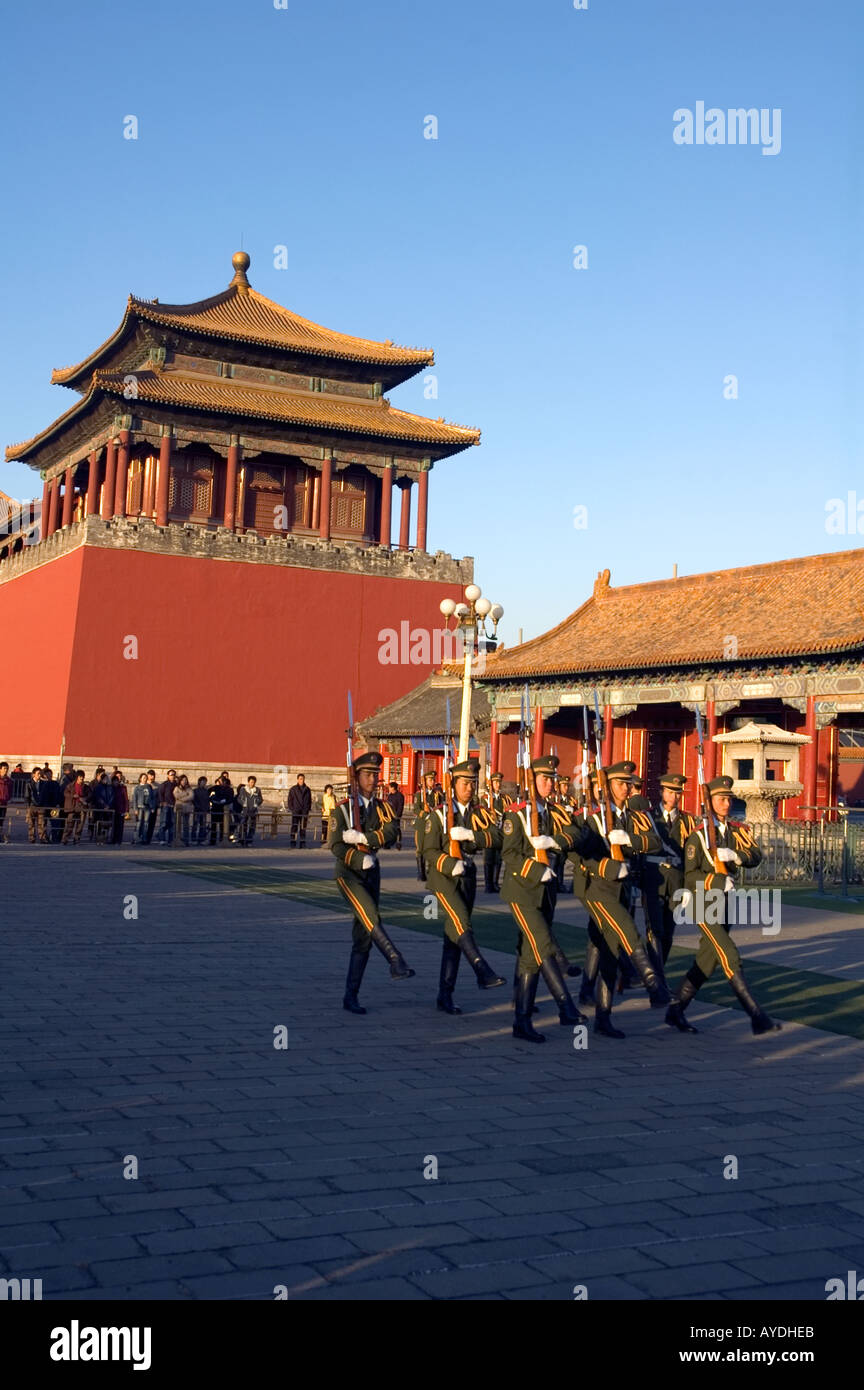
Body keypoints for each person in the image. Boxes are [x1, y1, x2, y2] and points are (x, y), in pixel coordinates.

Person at [666, 774, 780, 1036]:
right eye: (720, 799)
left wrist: (735, 856)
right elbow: (690, 875)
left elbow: (755, 856)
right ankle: (756, 1015)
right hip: (702, 902)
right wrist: (716, 882)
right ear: (710, 802)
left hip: (725, 903)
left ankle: (675, 1010)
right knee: (729, 953)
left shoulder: (737, 831)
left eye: (728, 799)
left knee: (707, 961)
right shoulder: (699, 837)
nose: (726, 804)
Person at [572, 761, 670, 1038]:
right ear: (606, 786)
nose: (626, 788)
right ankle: (652, 980)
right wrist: (605, 864)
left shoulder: (632, 815)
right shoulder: (593, 815)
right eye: (620, 783)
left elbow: (655, 842)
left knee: (610, 952)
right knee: (629, 930)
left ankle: (603, 1017)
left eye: (628, 783)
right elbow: (579, 852)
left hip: (621, 888)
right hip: (596, 888)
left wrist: (628, 840)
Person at [501, 754, 591, 1043]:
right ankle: (565, 1005)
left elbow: (577, 833)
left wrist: (554, 842)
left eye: (552, 779)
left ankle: (522, 1022)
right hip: (522, 890)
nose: (550, 784)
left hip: (546, 891)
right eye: (544, 779)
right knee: (542, 942)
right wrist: (533, 869)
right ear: (532, 781)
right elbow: (510, 854)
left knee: (530, 958)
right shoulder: (518, 813)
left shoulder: (554, 812)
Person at [417, 758, 506, 1013]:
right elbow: (428, 850)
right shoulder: (439, 814)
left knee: (454, 937)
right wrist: (448, 863)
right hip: (444, 878)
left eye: (473, 783)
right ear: (453, 783)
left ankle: (445, 995)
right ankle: (482, 969)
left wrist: (470, 836)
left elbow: (498, 837)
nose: (469, 787)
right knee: (461, 924)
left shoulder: (478, 813)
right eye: (465, 782)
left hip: (467, 875)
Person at [330, 749, 414, 1014]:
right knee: (371, 915)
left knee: (363, 936)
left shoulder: (382, 808)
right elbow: (335, 845)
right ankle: (395, 959)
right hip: (348, 873)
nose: (372, 779)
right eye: (367, 774)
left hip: (372, 871)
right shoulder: (343, 809)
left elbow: (390, 832)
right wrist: (356, 858)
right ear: (356, 776)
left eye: (375, 774)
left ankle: (350, 996)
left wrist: (365, 840)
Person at [640, 772, 696, 966]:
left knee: (668, 932)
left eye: (678, 793)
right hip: (654, 880)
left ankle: (658, 972)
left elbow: (690, 857)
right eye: (670, 792)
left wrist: (688, 887)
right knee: (654, 930)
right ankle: (655, 978)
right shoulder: (647, 817)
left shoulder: (688, 821)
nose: (674, 797)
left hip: (676, 881)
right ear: (662, 792)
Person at [481, 771, 512, 894]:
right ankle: (488, 884)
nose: (498, 785)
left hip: (500, 831)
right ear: (491, 784)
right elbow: (482, 814)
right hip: (489, 831)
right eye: (495, 782)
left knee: (498, 858)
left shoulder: (504, 799)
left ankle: (495, 883)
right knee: (488, 858)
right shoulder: (485, 799)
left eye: (499, 782)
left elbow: (508, 812)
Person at [412, 770, 440, 882]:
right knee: (420, 848)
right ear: (425, 781)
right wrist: (425, 814)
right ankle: (421, 873)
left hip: (432, 825)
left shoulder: (436, 795)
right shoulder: (419, 794)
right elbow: (416, 809)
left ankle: (430, 872)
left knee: (432, 847)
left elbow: (439, 807)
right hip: (422, 824)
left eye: (433, 780)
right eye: (430, 779)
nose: (432, 782)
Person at [25, 767, 51, 843]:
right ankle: (31, 838)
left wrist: (44, 805)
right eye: (38, 774)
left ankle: (42, 837)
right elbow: (27, 796)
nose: (39, 775)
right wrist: (28, 807)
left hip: (41, 806)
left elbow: (46, 795)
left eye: (40, 774)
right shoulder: (29, 783)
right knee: (31, 823)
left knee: (41, 823)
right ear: (33, 774)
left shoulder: (44, 783)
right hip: (32, 805)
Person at [61, 771, 88, 844]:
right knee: (70, 824)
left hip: (81, 807)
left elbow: (90, 795)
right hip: (72, 807)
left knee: (80, 825)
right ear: (77, 778)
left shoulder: (85, 787)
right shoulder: (70, 785)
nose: (81, 779)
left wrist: (85, 799)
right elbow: (65, 793)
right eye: (80, 777)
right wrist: (73, 796)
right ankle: (65, 839)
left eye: (82, 777)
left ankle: (77, 839)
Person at [235, 775, 263, 845]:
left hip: (253, 811)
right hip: (245, 811)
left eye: (253, 782)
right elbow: (239, 799)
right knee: (243, 825)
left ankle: (249, 840)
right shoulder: (243, 789)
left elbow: (261, 799)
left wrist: (257, 803)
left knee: (252, 826)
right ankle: (242, 840)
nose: (252, 784)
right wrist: (243, 803)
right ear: (248, 782)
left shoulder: (257, 790)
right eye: (251, 782)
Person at [287, 773, 311, 847]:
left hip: (304, 812)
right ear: (297, 780)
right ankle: (293, 842)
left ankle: (302, 842)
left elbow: (309, 800)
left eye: (303, 779)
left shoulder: (307, 789)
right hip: (296, 811)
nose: (302, 780)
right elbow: (290, 800)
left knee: (303, 828)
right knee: (294, 827)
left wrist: (307, 808)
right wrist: (292, 809)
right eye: (300, 779)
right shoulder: (293, 789)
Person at [209, 773, 234, 844]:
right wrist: (212, 800)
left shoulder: (229, 789)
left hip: (223, 809)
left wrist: (224, 801)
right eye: (219, 781)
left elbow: (230, 799)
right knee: (213, 825)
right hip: (215, 807)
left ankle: (221, 839)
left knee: (222, 825)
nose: (219, 783)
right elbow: (209, 793)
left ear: (225, 782)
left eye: (221, 781)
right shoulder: (215, 788)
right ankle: (212, 840)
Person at [133, 773, 154, 844]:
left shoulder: (149, 787)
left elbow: (152, 797)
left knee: (146, 823)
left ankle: (144, 838)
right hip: (140, 807)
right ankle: (136, 838)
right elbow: (134, 799)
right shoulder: (137, 787)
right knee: (139, 823)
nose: (145, 779)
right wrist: (135, 809)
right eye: (143, 777)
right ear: (140, 779)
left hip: (147, 807)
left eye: (146, 778)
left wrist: (152, 807)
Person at [158, 769, 178, 844]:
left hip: (174, 806)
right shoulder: (164, 784)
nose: (172, 776)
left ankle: (170, 839)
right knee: (164, 823)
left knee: (172, 824)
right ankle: (162, 839)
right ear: (168, 776)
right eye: (171, 774)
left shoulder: (176, 784)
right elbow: (160, 794)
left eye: (174, 775)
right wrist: (162, 802)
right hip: (166, 806)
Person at [174, 774, 194, 846]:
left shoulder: (189, 788)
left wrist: (182, 798)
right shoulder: (176, 788)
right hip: (179, 809)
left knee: (186, 825)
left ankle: (186, 840)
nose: (184, 781)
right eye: (182, 780)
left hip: (187, 808)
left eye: (185, 780)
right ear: (180, 781)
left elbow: (191, 796)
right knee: (177, 824)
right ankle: (177, 839)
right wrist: (186, 795)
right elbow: (176, 796)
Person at [385, 781, 404, 849]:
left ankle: (398, 842)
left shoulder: (400, 796)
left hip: (396, 815)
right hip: (389, 814)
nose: (388, 788)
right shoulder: (390, 795)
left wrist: (398, 815)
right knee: (388, 829)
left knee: (397, 828)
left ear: (393, 788)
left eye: (389, 787)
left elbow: (400, 806)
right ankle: (388, 843)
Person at [111, 772, 129, 844]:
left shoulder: (123, 788)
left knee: (120, 826)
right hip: (113, 809)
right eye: (117, 776)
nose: (118, 778)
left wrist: (126, 810)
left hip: (121, 809)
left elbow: (126, 799)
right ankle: (113, 839)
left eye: (119, 776)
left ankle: (119, 840)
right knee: (114, 825)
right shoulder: (110, 788)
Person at [193, 776, 211, 844]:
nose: (204, 783)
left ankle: (201, 839)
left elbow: (207, 801)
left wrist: (208, 808)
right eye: (203, 782)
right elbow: (194, 800)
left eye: (205, 782)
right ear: (199, 782)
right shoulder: (195, 791)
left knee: (203, 825)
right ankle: (194, 838)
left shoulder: (206, 791)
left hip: (204, 810)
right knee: (195, 824)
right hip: (197, 810)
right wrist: (197, 806)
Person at [0, 761, 11, 843]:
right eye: (4, 768)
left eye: (7, 768)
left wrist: (8, 798)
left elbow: (10, 791)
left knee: (1, 821)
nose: (6, 770)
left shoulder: (9, 780)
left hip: (4, 804)